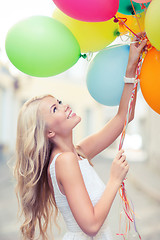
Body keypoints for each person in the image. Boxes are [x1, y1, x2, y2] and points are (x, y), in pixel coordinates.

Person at [14, 33, 147, 240]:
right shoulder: (65, 161)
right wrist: (114, 178)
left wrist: (132, 66)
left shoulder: (78, 153)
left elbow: (124, 115)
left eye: (58, 102)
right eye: (55, 109)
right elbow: (91, 226)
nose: (64, 106)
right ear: (49, 132)